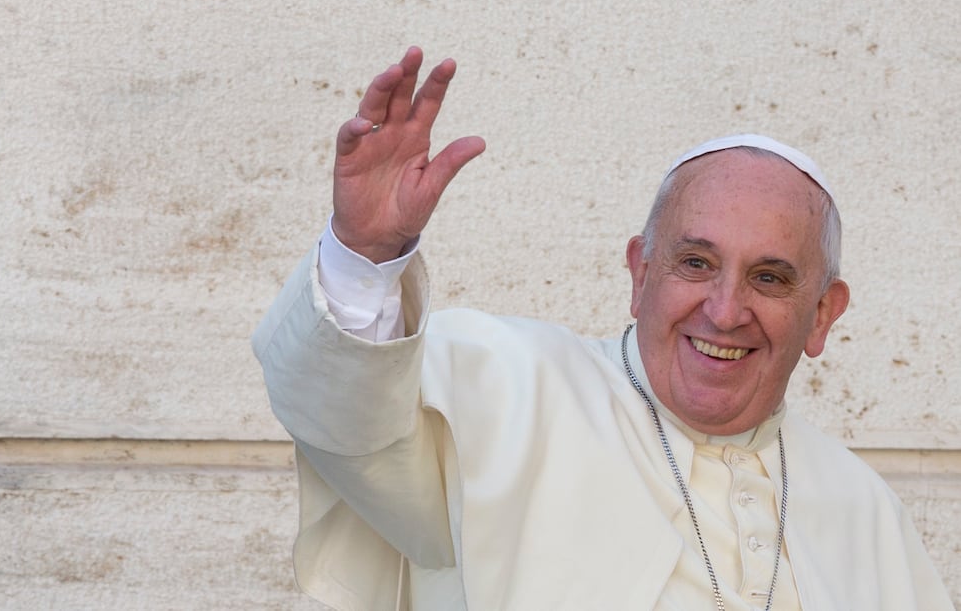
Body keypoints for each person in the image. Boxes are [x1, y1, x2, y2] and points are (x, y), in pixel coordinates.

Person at [252, 47, 955, 610]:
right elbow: (346, 421)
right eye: (695, 262)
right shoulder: (503, 389)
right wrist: (366, 254)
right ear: (639, 272)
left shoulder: (869, 515)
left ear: (823, 314)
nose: (724, 309)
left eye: (769, 277)